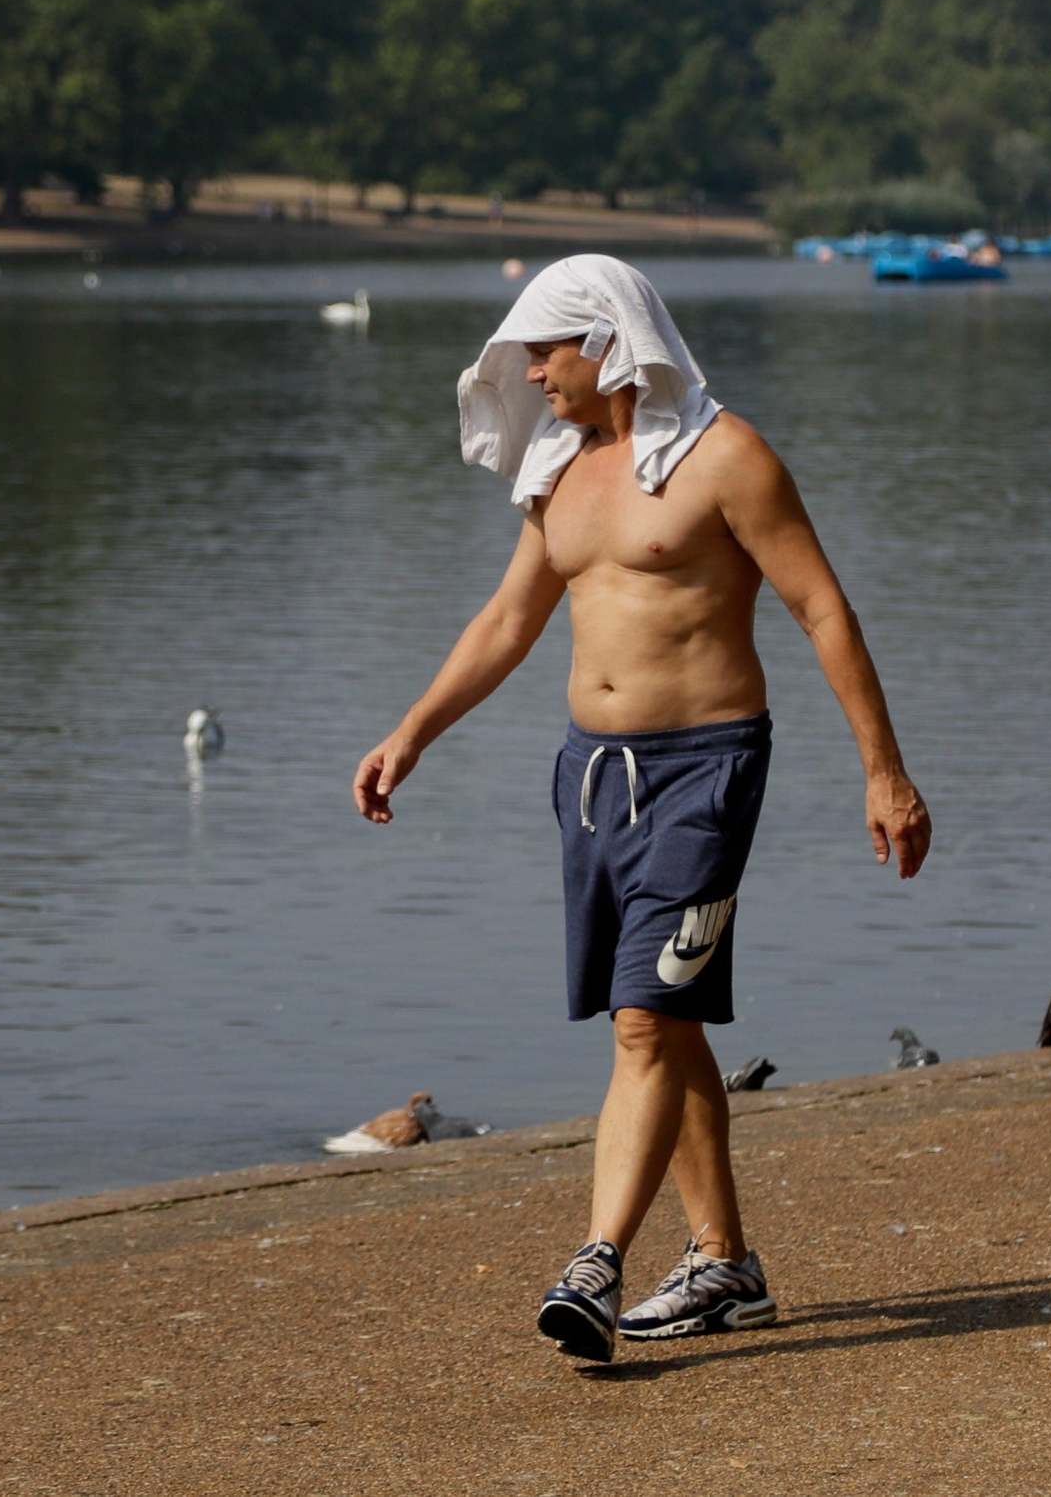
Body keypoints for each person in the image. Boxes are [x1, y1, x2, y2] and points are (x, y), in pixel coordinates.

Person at [353, 254, 931, 1364]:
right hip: (588, 779)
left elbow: (822, 609)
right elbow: (506, 623)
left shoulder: (726, 459)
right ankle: (724, 1263)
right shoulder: (562, 470)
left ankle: (596, 1259)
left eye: (548, 350)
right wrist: (410, 732)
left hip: (704, 774)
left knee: (642, 1022)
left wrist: (884, 772)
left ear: (610, 343)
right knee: (666, 1018)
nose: (531, 371)